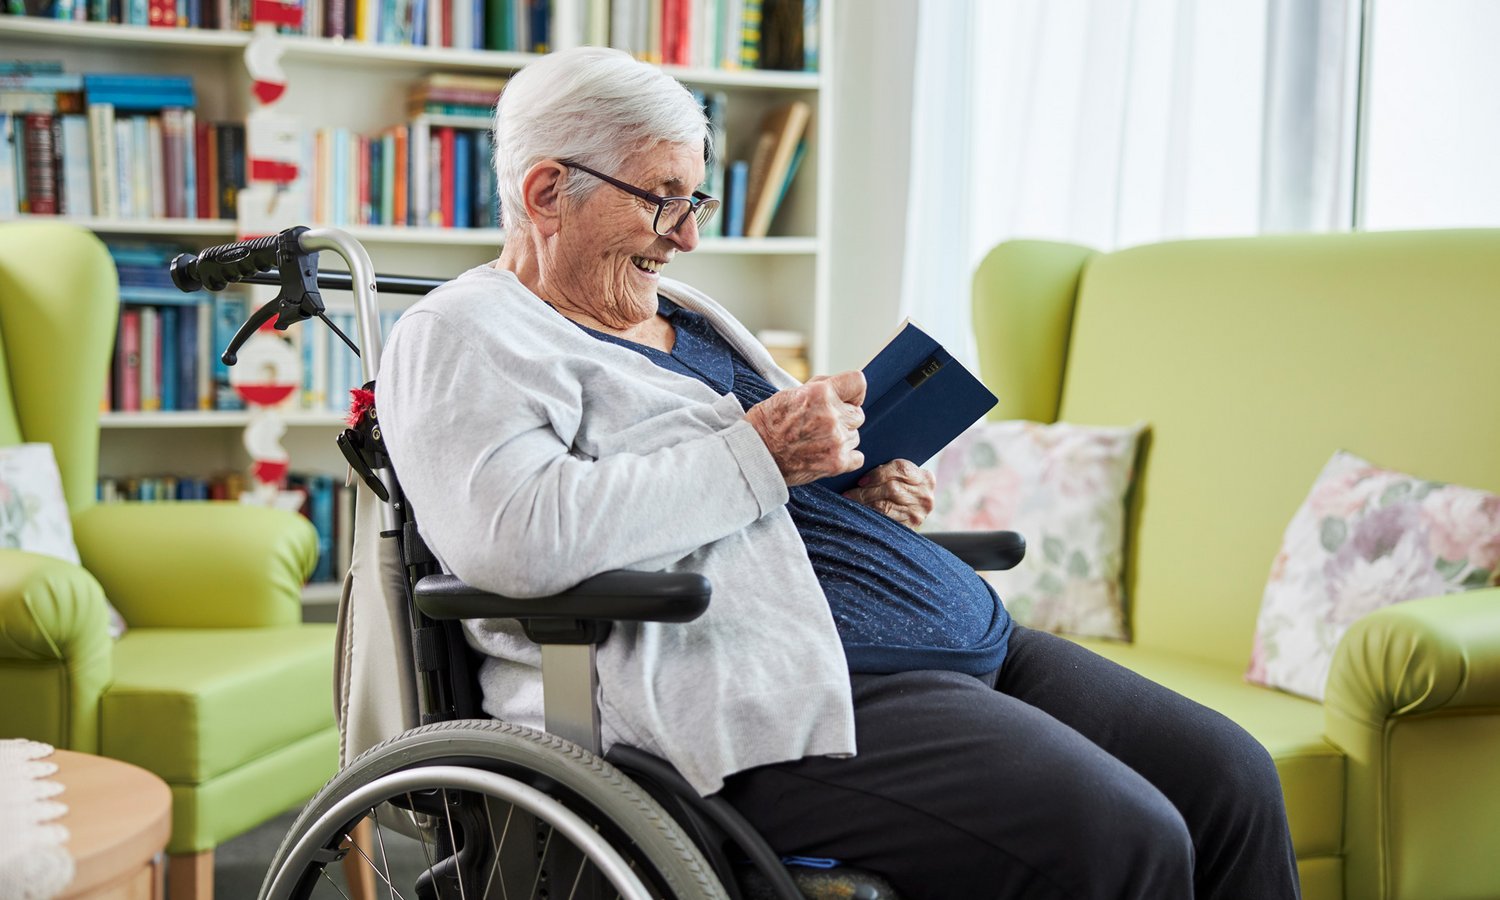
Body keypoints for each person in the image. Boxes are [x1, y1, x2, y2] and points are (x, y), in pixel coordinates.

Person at [377, 45, 1300, 900]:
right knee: (1122, 837)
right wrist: (764, 453)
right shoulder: (461, 336)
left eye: (695, 201)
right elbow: (517, 538)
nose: (686, 237)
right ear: (547, 191)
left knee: (1232, 780)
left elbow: (757, 491)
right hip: (790, 695)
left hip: (961, 641)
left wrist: (853, 495)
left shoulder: (680, 307)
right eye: (662, 199)